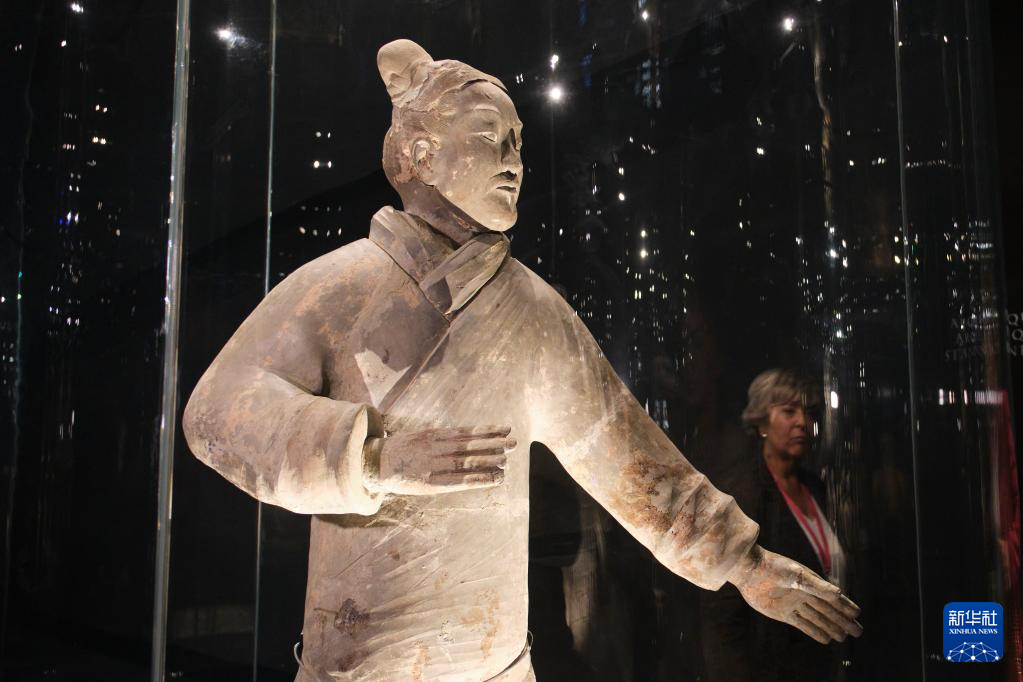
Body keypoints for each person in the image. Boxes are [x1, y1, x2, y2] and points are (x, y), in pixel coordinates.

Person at [182, 40, 861, 681]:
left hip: (494, 663)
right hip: (361, 663)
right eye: (488, 138)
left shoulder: (533, 312)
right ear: (420, 153)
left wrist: (745, 565)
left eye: (517, 142)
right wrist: (373, 457)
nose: (512, 160)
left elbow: (629, 461)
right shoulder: (339, 287)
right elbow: (216, 415)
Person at [700, 369, 849, 682]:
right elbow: (723, 614)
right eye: (789, 411)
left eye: (810, 412)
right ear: (762, 422)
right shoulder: (743, 494)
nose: (803, 422)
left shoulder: (817, 488)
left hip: (823, 664)